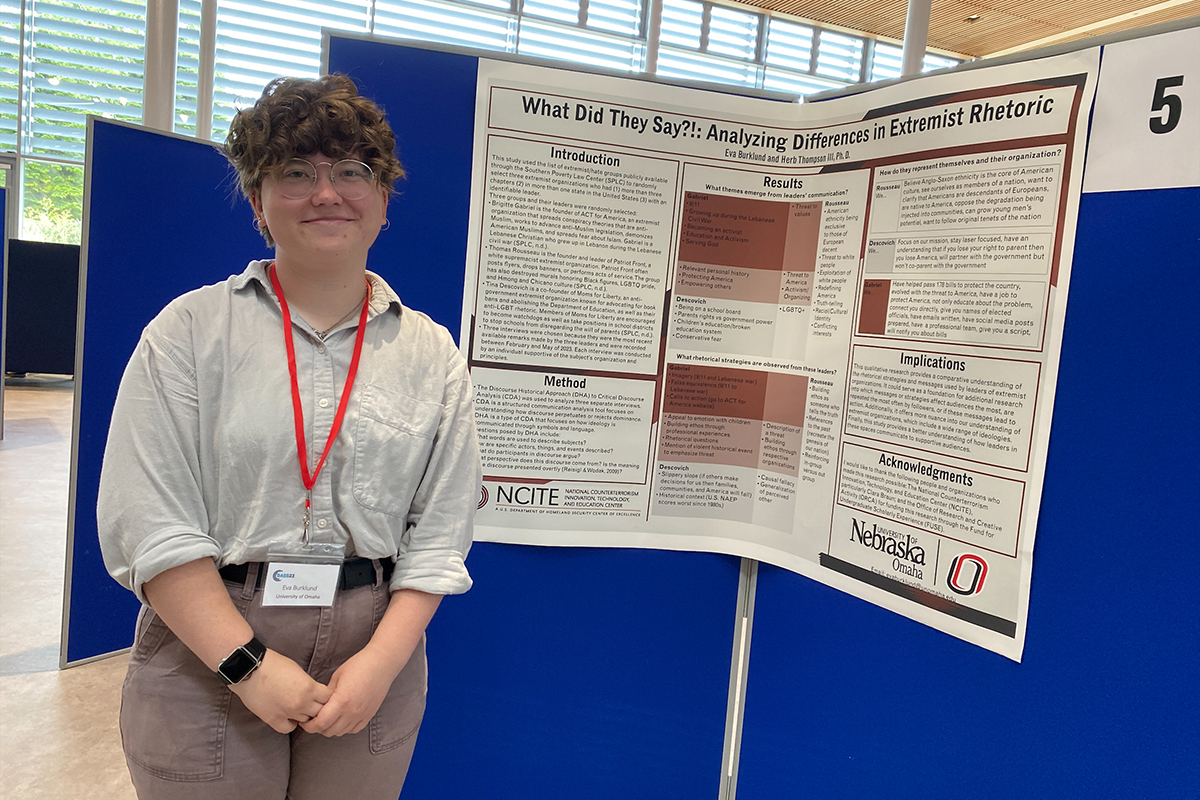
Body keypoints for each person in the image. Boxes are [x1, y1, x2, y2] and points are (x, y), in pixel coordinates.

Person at [97, 74, 480, 799]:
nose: (326, 193)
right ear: (258, 204)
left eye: (351, 172)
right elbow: (149, 521)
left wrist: (379, 665)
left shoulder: (432, 355)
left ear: (384, 200)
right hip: (208, 639)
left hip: (375, 647)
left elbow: (441, 533)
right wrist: (244, 663)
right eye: (296, 173)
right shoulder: (187, 334)